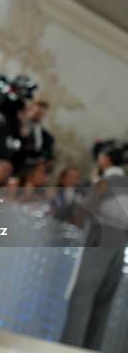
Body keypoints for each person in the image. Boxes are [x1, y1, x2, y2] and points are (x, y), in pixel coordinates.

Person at [62, 143, 128, 350]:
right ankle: (92, 348)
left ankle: (70, 346)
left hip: (97, 239)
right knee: (104, 300)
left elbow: (84, 212)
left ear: (105, 160)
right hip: (120, 244)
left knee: (82, 295)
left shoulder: (103, 183)